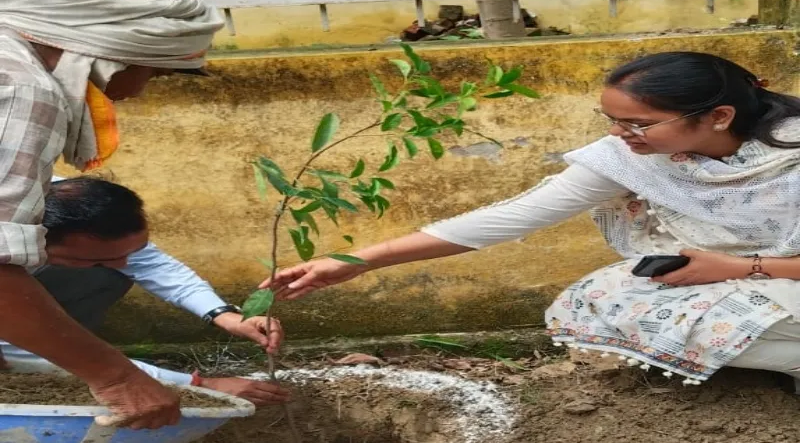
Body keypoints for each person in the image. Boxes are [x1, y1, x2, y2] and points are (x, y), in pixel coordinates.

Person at [262, 52, 800, 387]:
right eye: (611, 120)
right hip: (727, 274)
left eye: (638, 123)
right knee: (605, 303)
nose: (619, 134)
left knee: (748, 322)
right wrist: (356, 261)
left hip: (774, 276)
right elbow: (514, 216)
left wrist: (742, 265)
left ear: (719, 116)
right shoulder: (632, 157)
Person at [0, 0, 223, 429]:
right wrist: (120, 379)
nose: (137, 92)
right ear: (113, 57)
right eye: (152, 73)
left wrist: (222, 313)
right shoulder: (24, 89)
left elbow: (148, 259)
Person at [0, 177, 291, 406]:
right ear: (37, 239)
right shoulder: (12, 237)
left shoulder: (55, 199)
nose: (124, 264)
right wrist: (199, 385)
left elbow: (151, 263)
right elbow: (23, 340)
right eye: (96, 258)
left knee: (107, 275)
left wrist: (224, 315)